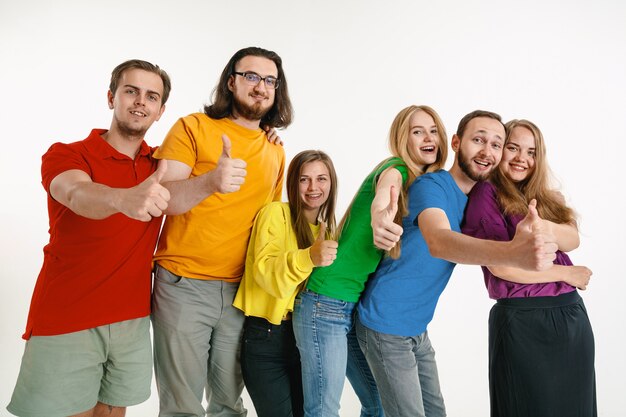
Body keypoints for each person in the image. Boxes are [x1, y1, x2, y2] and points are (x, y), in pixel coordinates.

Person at [356, 110, 560, 417]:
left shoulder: (483, 197)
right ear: (455, 142)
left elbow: (568, 233)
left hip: (417, 328)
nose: (486, 152)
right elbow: (439, 241)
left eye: (496, 145)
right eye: (478, 140)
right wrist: (512, 253)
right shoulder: (431, 186)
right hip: (385, 324)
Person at [7, 59, 171, 417]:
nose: (140, 101)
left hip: (132, 321)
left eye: (151, 96)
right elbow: (75, 193)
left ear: (160, 111)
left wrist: (264, 130)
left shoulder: (159, 165)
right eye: (131, 91)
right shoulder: (67, 154)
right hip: (68, 317)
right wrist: (122, 197)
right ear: (111, 97)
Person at [151, 46, 293, 417]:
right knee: (182, 407)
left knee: (230, 404)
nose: (260, 86)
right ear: (231, 82)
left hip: (240, 293)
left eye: (270, 80)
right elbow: (162, 199)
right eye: (251, 76)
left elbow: (267, 228)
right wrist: (211, 181)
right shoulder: (193, 127)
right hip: (184, 285)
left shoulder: (275, 151)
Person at [292, 105, 449, 417]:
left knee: (378, 403)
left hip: (356, 309)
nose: (427, 137)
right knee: (323, 409)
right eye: (417, 131)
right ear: (403, 138)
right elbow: (384, 196)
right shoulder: (396, 169)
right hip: (326, 302)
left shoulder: (425, 187)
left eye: (433, 130)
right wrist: (380, 218)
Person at [461, 119, 596, 417]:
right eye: (513, 148)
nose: (523, 158)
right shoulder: (486, 194)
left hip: (571, 318)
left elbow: (571, 239)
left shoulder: (547, 198)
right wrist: (565, 273)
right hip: (522, 323)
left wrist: (542, 223)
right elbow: (500, 267)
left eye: (531, 152)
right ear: (500, 151)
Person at [233, 150, 339, 417]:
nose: (314, 187)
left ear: (331, 183)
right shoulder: (275, 214)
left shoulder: (329, 230)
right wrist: (309, 257)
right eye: (304, 179)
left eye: (321, 179)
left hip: (309, 339)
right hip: (267, 338)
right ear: (293, 183)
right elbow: (264, 272)